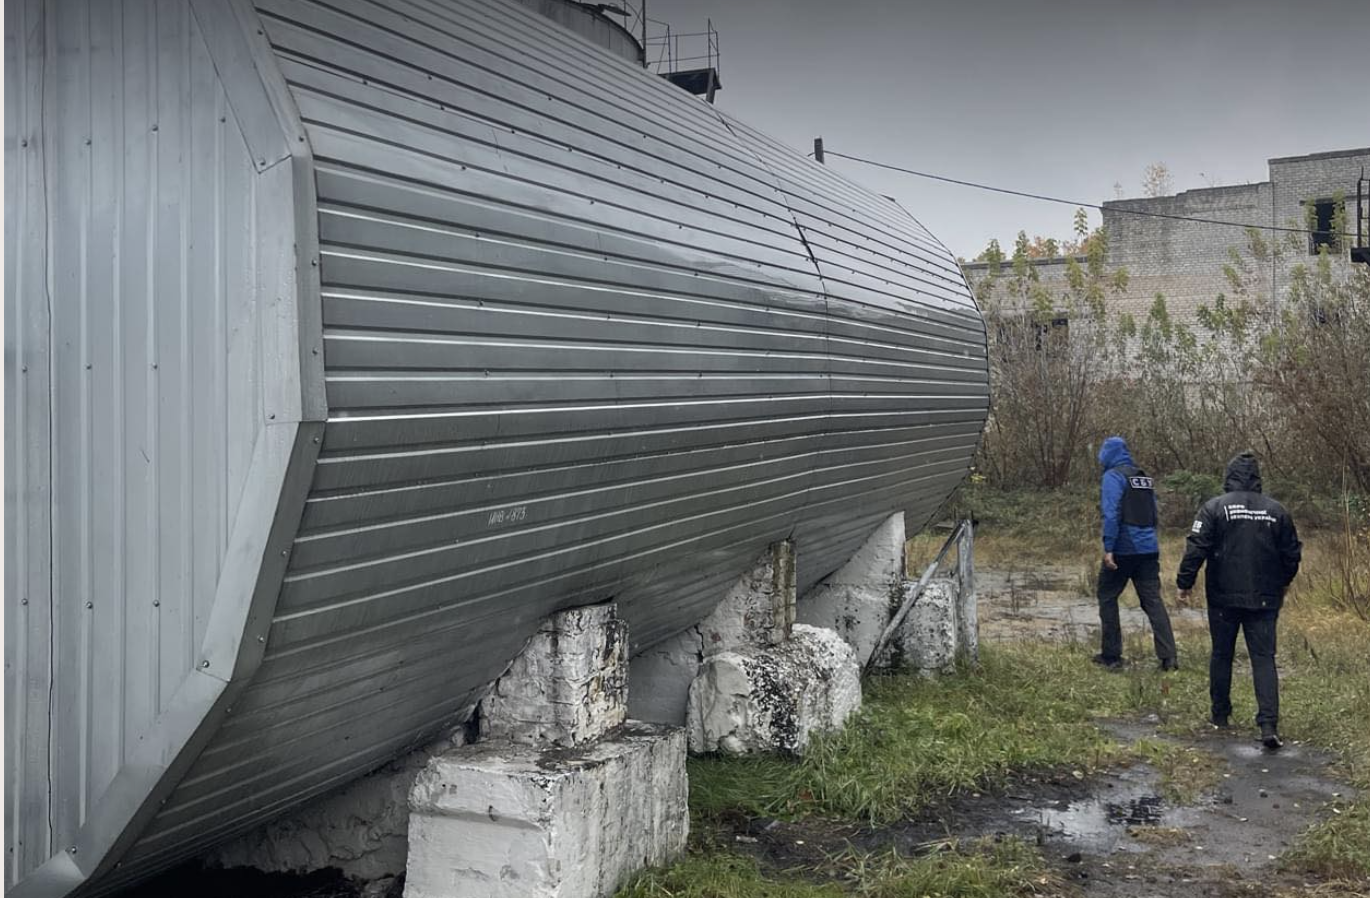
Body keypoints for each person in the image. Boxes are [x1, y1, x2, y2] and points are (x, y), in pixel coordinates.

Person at [1177, 451, 1302, 750]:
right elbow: (1292, 554)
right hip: (1265, 598)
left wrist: (1185, 582)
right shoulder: (1277, 511)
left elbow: (1197, 547)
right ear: (1258, 478)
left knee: (1221, 655)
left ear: (1228, 477)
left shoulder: (1214, 508)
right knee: (1263, 659)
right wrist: (1283, 583)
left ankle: (1220, 715)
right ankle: (1268, 725)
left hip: (1222, 597)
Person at [1094, 436, 1178, 671]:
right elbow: (1154, 513)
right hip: (1149, 549)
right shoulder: (1143, 478)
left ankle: (1111, 655)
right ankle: (1169, 657)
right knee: (1153, 602)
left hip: (1124, 549)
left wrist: (1109, 548)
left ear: (1107, 454)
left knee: (1107, 596)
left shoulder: (1113, 476)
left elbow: (1110, 513)